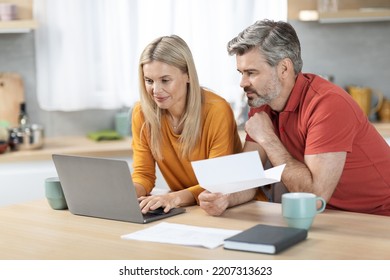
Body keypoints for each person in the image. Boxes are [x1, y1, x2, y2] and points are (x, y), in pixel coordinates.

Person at [199, 19, 390, 216]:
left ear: (284, 69)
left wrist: (267, 138)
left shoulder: (328, 105)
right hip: (329, 216)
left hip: (378, 217)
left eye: (251, 73)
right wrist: (225, 197)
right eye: (241, 73)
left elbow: (314, 199)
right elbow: (249, 178)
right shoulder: (262, 102)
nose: (242, 83)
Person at [132, 35, 242, 214]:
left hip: (231, 208)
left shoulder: (217, 111)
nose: (156, 90)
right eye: (149, 81)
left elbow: (216, 185)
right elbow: (143, 175)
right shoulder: (142, 113)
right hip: (189, 209)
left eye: (165, 80)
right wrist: (126, 193)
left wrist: (173, 197)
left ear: (188, 75)